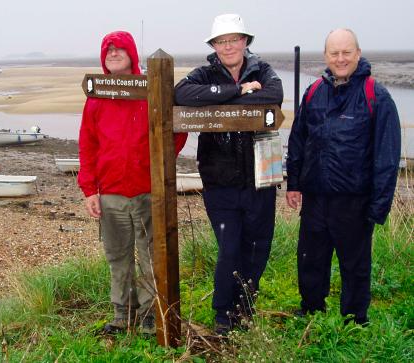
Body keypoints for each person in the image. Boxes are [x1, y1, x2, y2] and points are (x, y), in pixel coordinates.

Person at [174, 14, 283, 335]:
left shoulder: (263, 70)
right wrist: (237, 90)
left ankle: (245, 311)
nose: (228, 46)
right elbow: (183, 94)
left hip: (262, 177)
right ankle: (223, 315)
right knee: (230, 249)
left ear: (245, 42)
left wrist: (223, 97)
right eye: (222, 41)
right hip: (219, 181)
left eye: (234, 39)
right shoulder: (204, 73)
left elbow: (272, 95)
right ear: (214, 46)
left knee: (257, 247)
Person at [286, 28, 401, 325]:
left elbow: (387, 157)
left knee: (355, 266)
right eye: (334, 53)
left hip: (355, 202)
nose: (340, 59)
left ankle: (354, 319)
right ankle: (311, 309)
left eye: (346, 52)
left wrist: (378, 206)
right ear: (325, 56)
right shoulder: (313, 93)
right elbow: (298, 140)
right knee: (310, 260)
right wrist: (294, 183)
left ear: (358, 54)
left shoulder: (377, 96)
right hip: (315, 198)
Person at [78, 31, 187, 335]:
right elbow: (87, 144)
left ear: (132, 54)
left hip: (147, 191)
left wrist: (157, 164)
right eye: (108, 50)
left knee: (151, 259)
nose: (113, 53)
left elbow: (175, 131)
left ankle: (151, 316)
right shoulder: (97, 96)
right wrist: (90, 190)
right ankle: (122, 315)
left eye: (119, 49)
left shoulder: (150, 90)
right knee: (118, 258)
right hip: (111, 193)